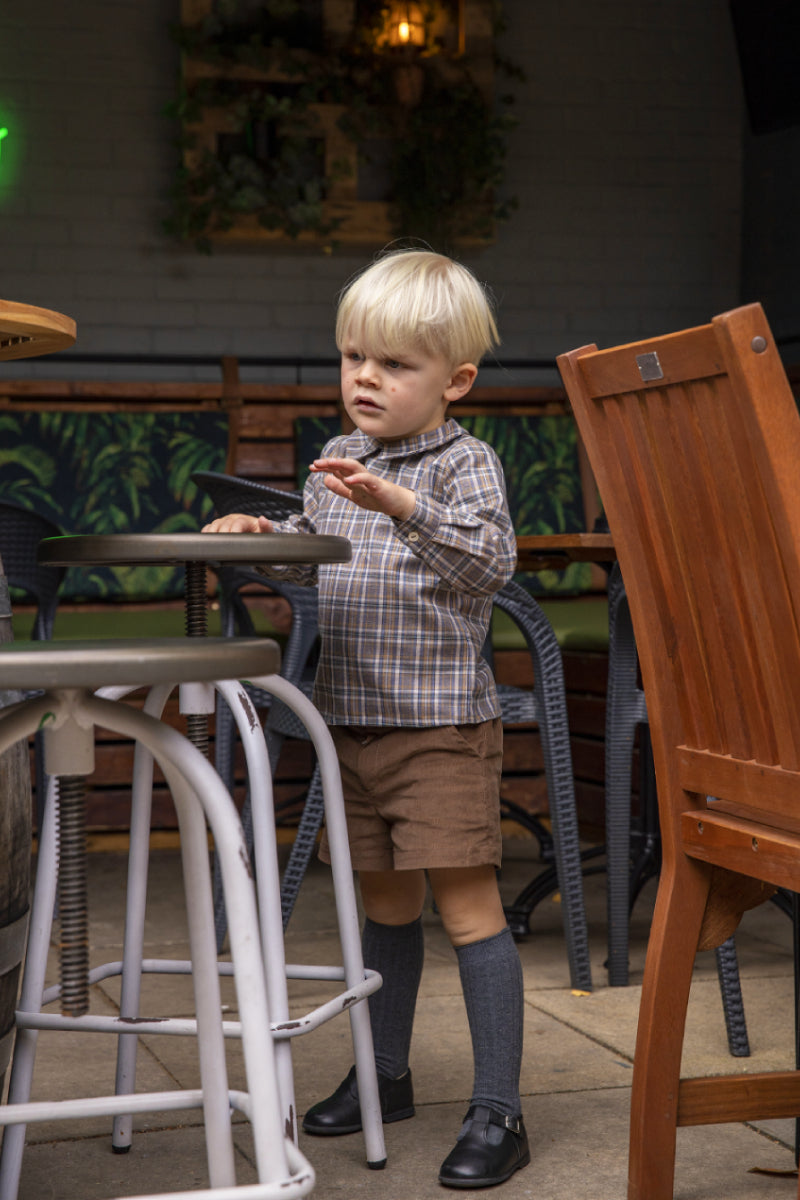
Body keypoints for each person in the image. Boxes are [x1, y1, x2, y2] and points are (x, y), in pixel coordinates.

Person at [203, 248, 529, 1189]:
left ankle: (498, 1108)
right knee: (384, 906)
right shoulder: (337, 459)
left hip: (438, 728)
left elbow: (488, 568)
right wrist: (270, 541)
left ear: (454, 381)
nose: (365, 380)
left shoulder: (467, 465)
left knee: (468, 911)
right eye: (353, 358)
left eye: (394, 365)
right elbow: (321, 579)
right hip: (350, 724)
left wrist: (404, 504)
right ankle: (386, 1076)